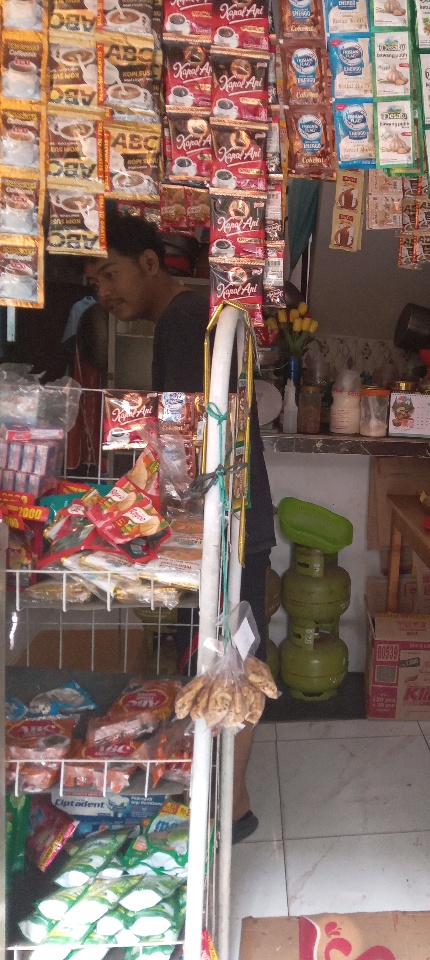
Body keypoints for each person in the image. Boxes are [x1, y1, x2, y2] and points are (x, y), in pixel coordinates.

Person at [85, 204, 275, 844]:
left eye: (110, 275)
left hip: (231, 525)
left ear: (148, 262)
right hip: (231, 519)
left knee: (236, 657)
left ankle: (231, 808)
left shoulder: (185, 320)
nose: (104, 293)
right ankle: (219, 797)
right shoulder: (191, 316)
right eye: (94, 283)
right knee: (227, 651)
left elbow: (191, 439)